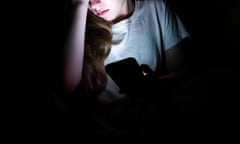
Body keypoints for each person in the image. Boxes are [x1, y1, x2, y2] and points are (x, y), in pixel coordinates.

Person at [57, 0, 191, 141]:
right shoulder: (81, 21)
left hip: (156, 128)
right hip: (104, 134)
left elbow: (182, 72)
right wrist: (80, 6)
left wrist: (155, 84)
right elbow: (67, 84)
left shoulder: (156, 7)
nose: (94, 5)